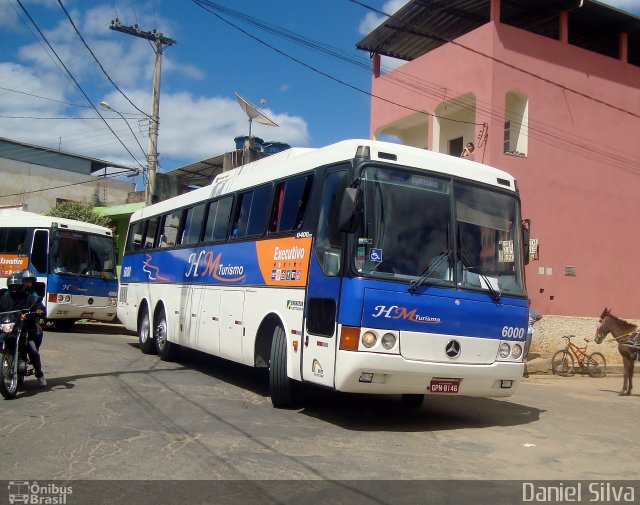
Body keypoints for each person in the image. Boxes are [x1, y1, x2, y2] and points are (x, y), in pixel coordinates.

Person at [0, 273, 47, 386]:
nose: (14, 288)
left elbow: (39, 306)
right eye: (12, 286)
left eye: (17, 286)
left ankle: (39, 375)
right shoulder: (3, 296)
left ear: (22, 286)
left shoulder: (30, 297)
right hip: (8, 328)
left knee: (33, 350)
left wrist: (39, 310)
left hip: (25, 329)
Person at [21, 269, 45, 350]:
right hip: (15, 320)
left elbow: (39, 304)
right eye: (26, 280)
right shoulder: (14, 292)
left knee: (38, 333)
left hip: (29, 320)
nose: (28, 283)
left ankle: (34, 353)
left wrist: (39, 309)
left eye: (30, 281)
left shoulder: (34, 294)